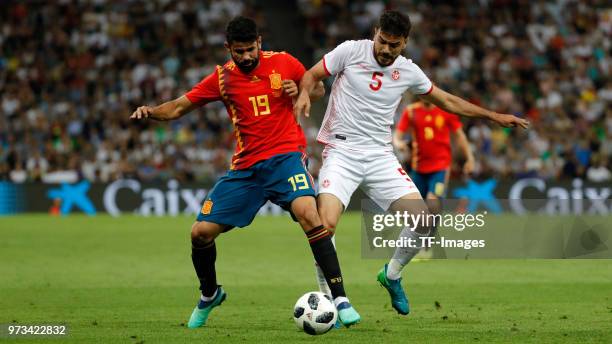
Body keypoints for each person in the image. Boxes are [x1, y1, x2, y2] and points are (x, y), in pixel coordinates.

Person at [131, 16, 360, 328]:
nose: (247, 56)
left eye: (250, 49)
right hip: (246, 168)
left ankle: (341, 299)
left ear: (260, 43)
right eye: (239, 51)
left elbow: (317, 88)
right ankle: (210, 294)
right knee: (200, 234)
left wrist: (299, 91)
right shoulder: (221, 79)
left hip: (285, 158)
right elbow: (179, 107)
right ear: (229, 49)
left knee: (309, 213)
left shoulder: (284, 62)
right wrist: (151, 111)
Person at [295, 10, 528, 315]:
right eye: (382, 41)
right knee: (324, 226)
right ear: (375, 32)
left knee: (426, 220)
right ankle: (329, 302)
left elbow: (447, 101)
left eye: (394, 44)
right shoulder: (350, 51)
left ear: (404, 42)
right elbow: (312, 74)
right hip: (342, 152)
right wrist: (304, 94)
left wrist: (493, 115)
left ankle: (391, 275)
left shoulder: (408, 71)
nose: (386, 50)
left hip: (380, 156)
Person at [393, 100, 474, 219]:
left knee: (432, 200)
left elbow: (460, 135)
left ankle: (431, 232)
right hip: (418, 168)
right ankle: (423, 233)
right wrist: (398, 143)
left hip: (440, 167)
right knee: (416, 209)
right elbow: (398, 134)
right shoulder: (411, 111)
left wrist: (470, 158)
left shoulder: (446, 110)